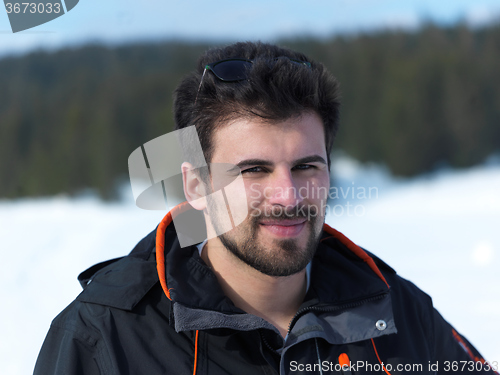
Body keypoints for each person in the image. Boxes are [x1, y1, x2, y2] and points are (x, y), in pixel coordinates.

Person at [34, 41, 496, 375]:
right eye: (254, 170)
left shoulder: (393, 309)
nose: (288, 196)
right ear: (196, 184)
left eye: (307, 167)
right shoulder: (104, 337)